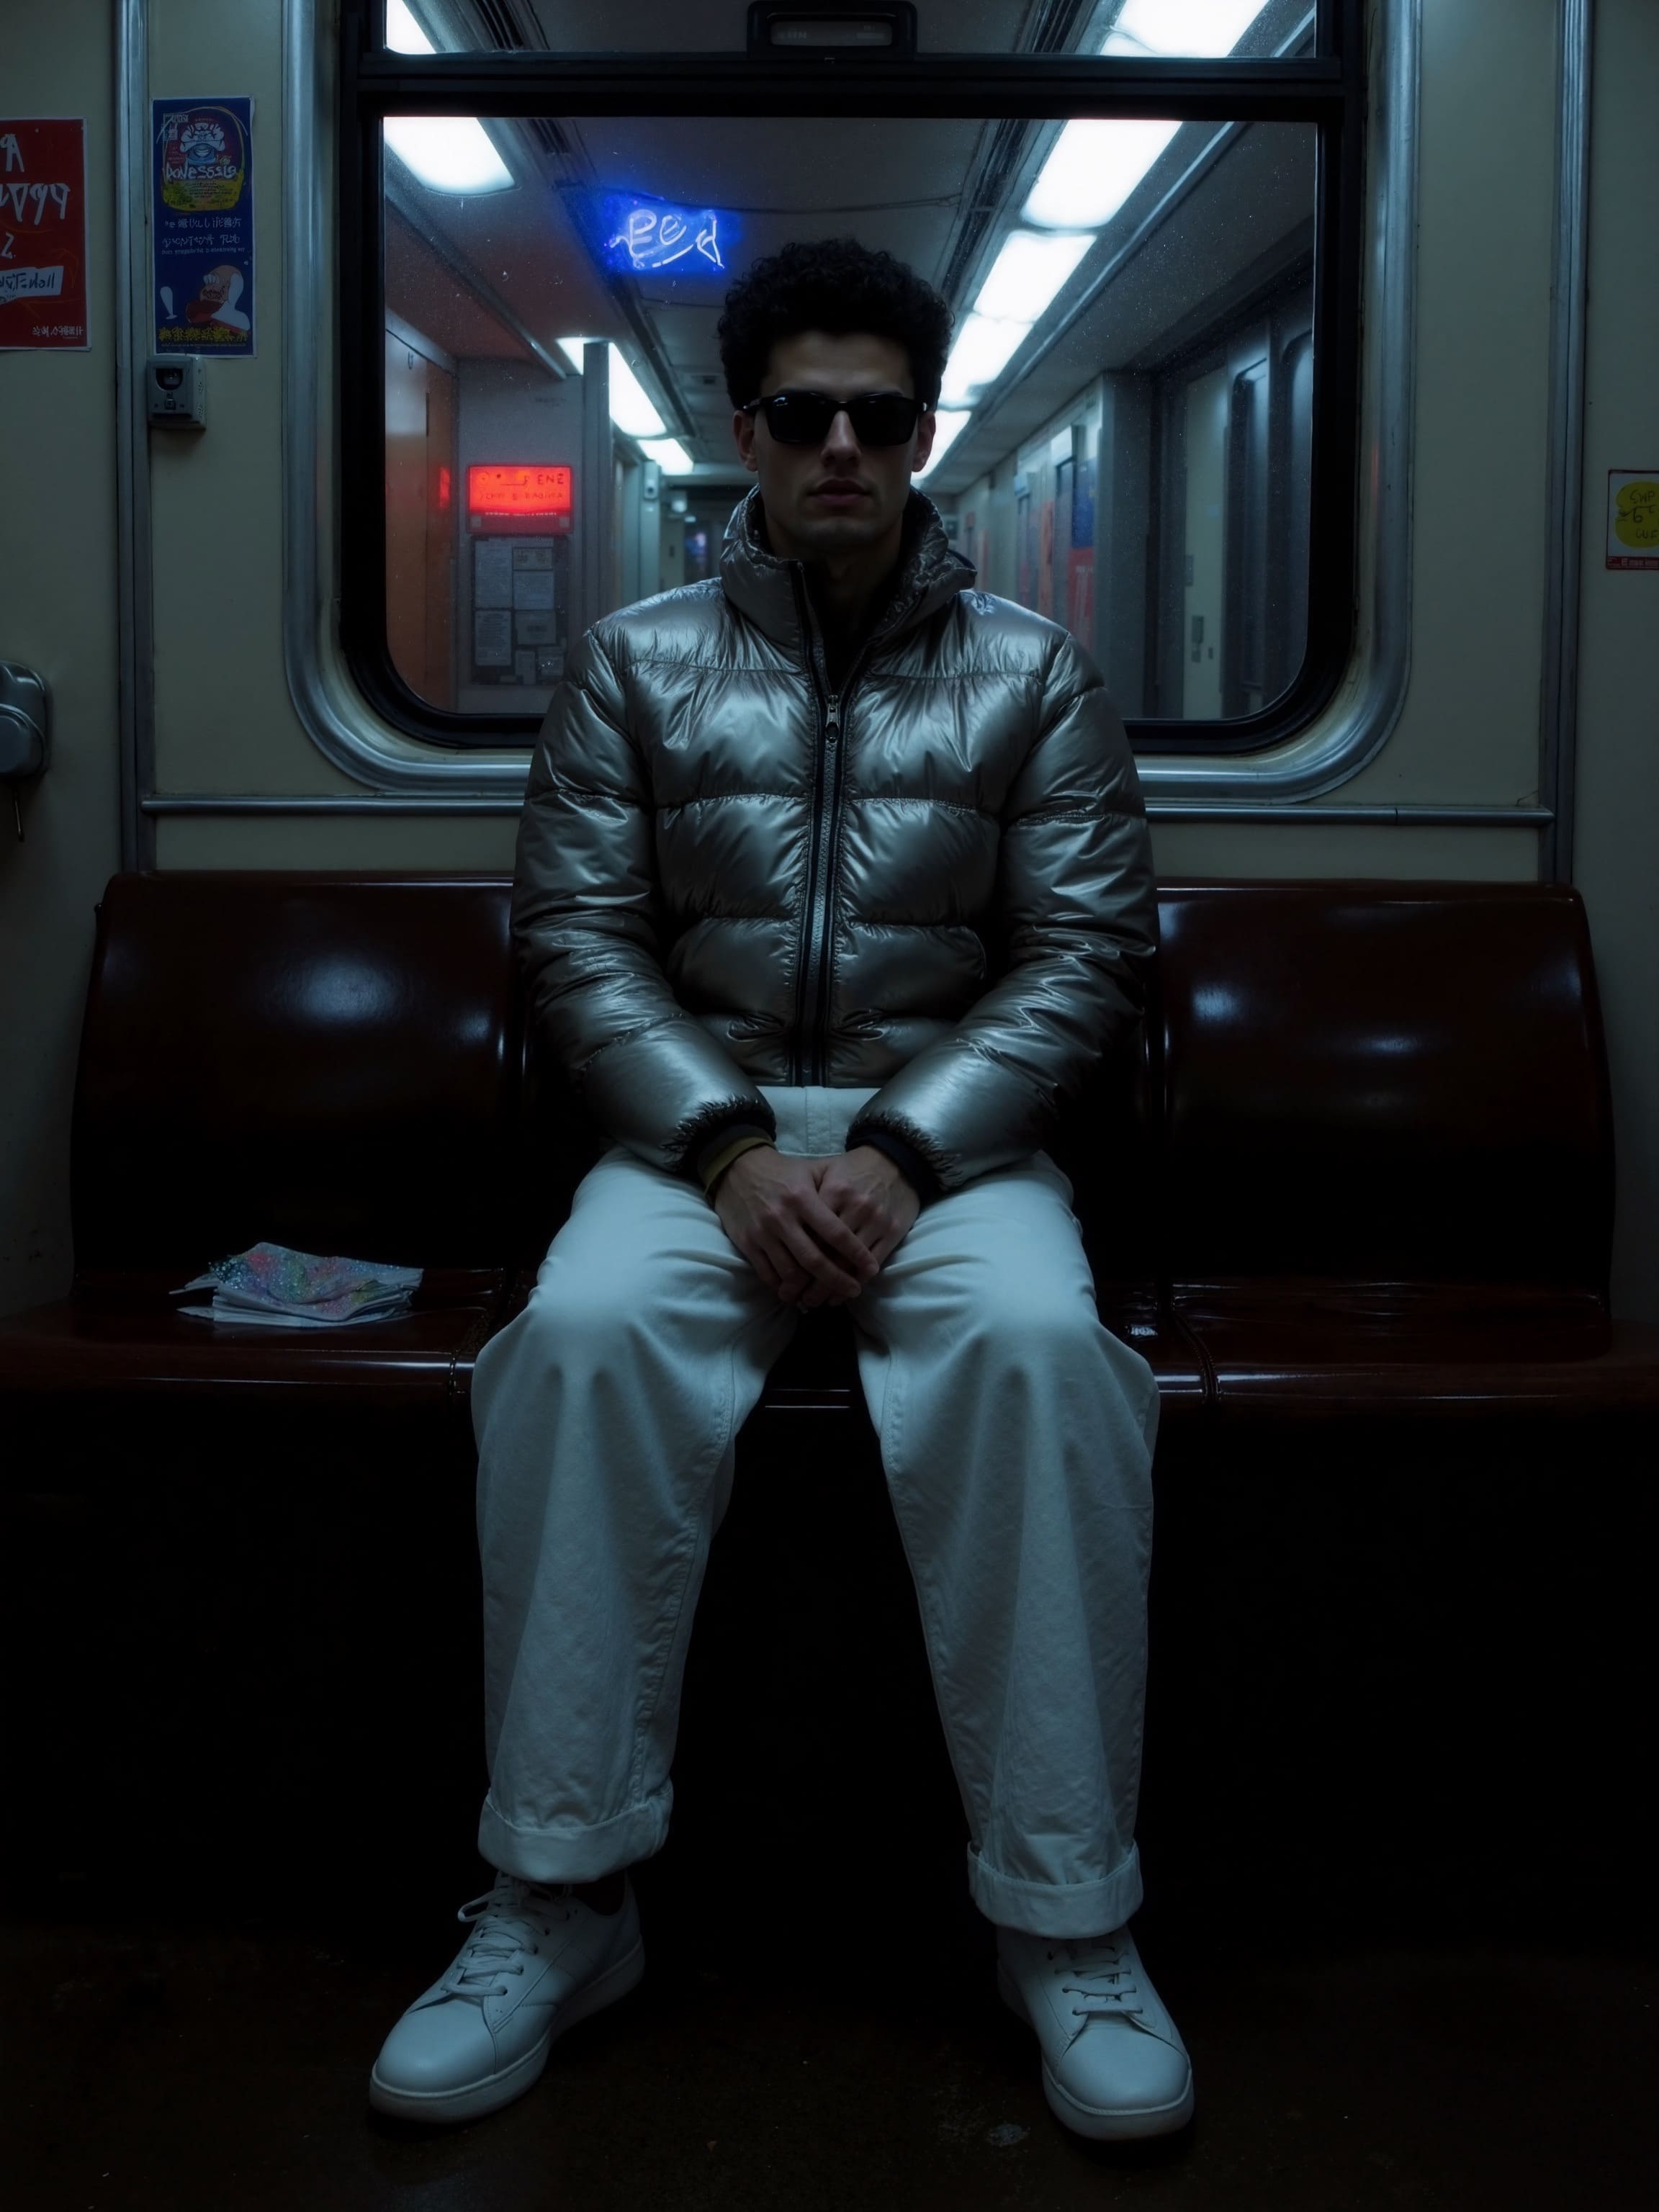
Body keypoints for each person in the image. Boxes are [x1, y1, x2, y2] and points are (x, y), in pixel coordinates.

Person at [369, 237, 1189, 2143]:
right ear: (746, 430)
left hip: (950, 1137)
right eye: (803, 413)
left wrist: (901, 1152)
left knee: (1041, 1360)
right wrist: (733, 1150)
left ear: (923, 431)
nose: (841, 447)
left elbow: (1082, 958)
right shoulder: (635, 666)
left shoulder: (1034, 679)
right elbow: (576, 942)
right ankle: (557, 1898)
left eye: (878, 415)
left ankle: (1064, 1918)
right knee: (574, 1342)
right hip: (699, 1130)